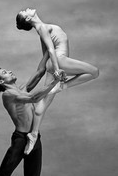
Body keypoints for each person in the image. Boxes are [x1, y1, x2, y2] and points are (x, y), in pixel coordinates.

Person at [16, 8, 99, 154]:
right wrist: (56, 70)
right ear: (28, 19)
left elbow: (46, 55)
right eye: (25, 12)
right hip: (59, 63)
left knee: (43, 104)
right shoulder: (42, 28)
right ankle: (63, 86)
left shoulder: (41, 29)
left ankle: (33, 134)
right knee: (94, 72)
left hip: (54, 64)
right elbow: (51, 50)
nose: (26, 9)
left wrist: (46, 71)